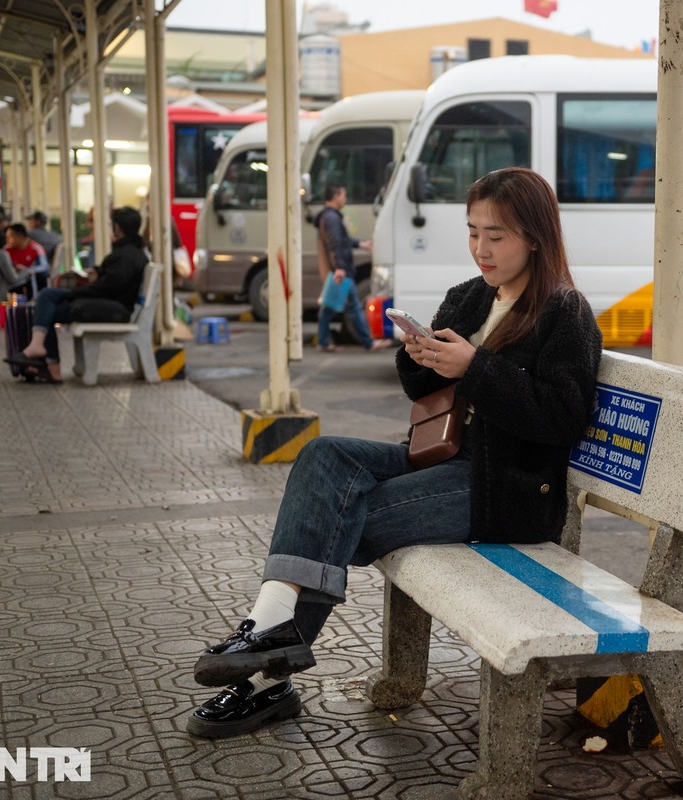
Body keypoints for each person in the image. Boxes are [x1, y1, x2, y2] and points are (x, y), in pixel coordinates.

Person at [184, 167, 603, 738]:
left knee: (341, 513)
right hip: (443, 461)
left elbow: (564, 418)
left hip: (508, 491)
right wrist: (418, 353)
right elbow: (420, 390)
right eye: (473, 230)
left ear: (535, 236)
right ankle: (273, 635)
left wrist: (475, 368)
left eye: (496, 235)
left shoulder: (564, 312)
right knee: (323, 457)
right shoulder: (469, 297)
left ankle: (265, 668)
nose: (481, 248)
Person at [4, 206, 148, 383]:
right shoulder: (131, 251)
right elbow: (112, 280)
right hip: (110, 303)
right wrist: (95, 273)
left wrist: (74, 292)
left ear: (118, 227)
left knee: (47, 300)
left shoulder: (126, 254)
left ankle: (47, 360)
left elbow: (109, 287)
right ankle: (43, 355)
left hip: (112, 308)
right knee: (47, 301)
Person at [314, 184, 391, 352]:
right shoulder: (332, 218)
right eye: (343, 195)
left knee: (328, 309)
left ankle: (324, 342)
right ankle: (368, 342)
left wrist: (361, 244)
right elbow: (336, 243)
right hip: (342, 270)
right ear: (335, 196)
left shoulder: (329, 217)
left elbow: (343, 240)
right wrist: (340, 267)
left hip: (340, 269)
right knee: (354, 308)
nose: (345, 199)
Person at [4, 223, 49, 291]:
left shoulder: (36, 248)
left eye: (10, 237)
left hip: (30, 281)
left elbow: (44, 267)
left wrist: (26, 270)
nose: (7, 240)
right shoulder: (7, 250)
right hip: (12, 282)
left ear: (20, 236)